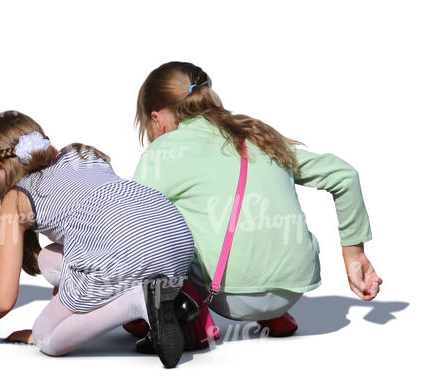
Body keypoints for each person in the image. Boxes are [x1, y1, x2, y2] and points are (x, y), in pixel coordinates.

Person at [130, 61, 382, 341]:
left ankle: (190, 316)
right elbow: (344, 175)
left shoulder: (164, 150)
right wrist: (354, 253)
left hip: (224, 295)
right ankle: (273, 316)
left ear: (156, 119)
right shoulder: (257, 135)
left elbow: (134, 222)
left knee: (156, 218)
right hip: (292, 290)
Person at [0, 111, 194, 367]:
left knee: (46, 338)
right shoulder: (81, 154)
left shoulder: (15, 200)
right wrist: (59, 313)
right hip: (176, 238)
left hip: (127, 253)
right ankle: (169, 303)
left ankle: (139, 303)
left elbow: (3, 299)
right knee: (49, 258)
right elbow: (93, 231)